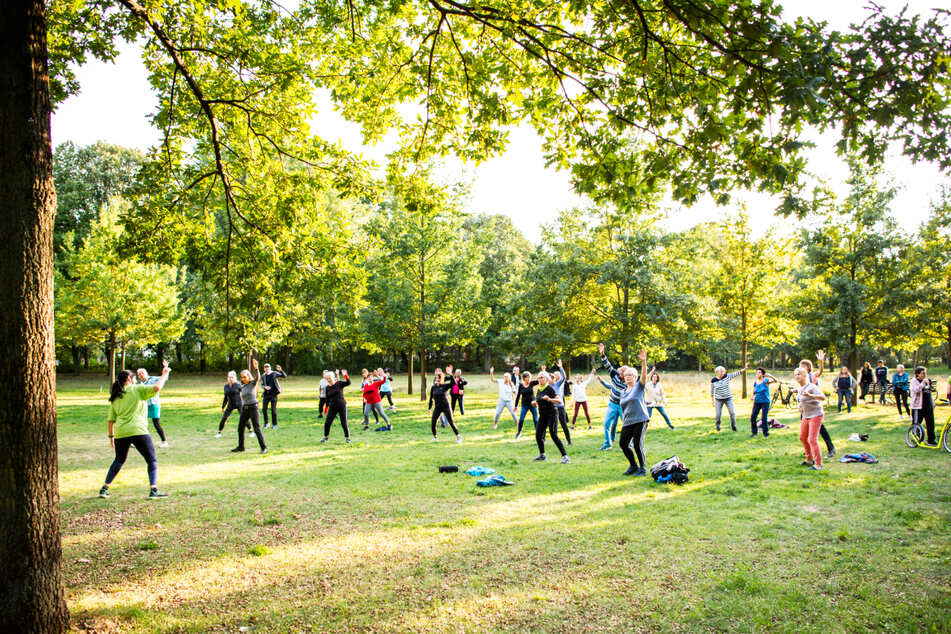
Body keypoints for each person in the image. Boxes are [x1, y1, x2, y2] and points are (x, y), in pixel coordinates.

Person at [99, 361, 172, 499]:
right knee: (152, 460)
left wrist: (111, 437)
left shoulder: (116, 396)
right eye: (134, 378)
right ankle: (153, 490)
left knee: (119, 460)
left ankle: (104, 488)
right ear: (129, 379)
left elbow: (111, 420)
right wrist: (164, 374)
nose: (136, 380)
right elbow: (157, 388)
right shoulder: (137, 389)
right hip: (139, 431)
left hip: (121, 433)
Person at [617, 350, 651, 475]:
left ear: (635, 377)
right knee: (623, 444)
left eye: (630, 375)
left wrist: (643, 362)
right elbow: (624, 407)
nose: (628, 377)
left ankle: (643, 468)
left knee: (637, 444)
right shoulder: (623, 391)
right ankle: (633, 466)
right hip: (628, 421)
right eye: (626, 375)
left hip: (640, 419)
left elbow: (644, 374)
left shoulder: (639, 386)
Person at [799, 351, 836, 458]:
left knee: (820, 429)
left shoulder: (812, 375)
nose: (800, 369)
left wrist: (821, 361)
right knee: (805, 432)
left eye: (802, 367)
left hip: (815, 409)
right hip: (806, 409)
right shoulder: (801, 378)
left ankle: (831, 448)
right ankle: (809, 450)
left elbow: (820, 371)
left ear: (808, 368)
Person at [531, 371, 569, 463]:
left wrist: (550, 399)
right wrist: (535, 403)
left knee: (553, 435)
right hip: (543, 415)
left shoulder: (550, 389)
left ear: (546, 379)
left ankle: (565, 457)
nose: (539, 379)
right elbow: (539, 402)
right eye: (539, 377)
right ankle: (542, 455)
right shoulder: (539, 389)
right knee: (538, 435)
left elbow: (559, 401)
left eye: (542, 377)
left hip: (552, 414)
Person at [794, 366, 826, 470]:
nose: (796, 376)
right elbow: (801, 401)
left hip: (816, 415)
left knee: (812, 439)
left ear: (804, 376)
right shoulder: (799, 389)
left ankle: (818, 464)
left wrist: (811, 395)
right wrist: (800, 406)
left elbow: (823, 397)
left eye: (799, 374)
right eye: (795, 375)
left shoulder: (811, 387)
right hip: (806, 416)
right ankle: (809, 459)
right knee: (803, 438)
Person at [597, 342, 628, 450]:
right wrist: (602, 354)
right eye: (620, 371)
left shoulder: (629, 381)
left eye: (622, 372)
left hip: (623, 405)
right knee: (606, 424)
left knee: (628, 425)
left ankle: (630, 444)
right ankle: (607, 444)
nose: (620, 373)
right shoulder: (615, 374)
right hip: (612, 404)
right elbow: (608, 365)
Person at [233, 359, 267, 454]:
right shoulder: (242, 386)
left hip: (253, 408)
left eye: (245, 377)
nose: (243, 379)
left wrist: (256, 368)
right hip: (245, 408)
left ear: (249, 377)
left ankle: (264, 448)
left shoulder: (253, 383)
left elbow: (258, 377)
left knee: (256, 428)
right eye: (242, 377)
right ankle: (241, 447)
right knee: (240, 428)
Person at [136, 368, 168, 447]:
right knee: (140, 423)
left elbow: (164, 378)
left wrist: (165, 370)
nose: (141, 375)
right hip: (145, 405)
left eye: (142, 373)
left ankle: (164, 442)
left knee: (156, 424)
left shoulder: (152, 379)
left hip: (154, 404)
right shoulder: (140, 384)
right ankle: (136, 441)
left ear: (146, 373)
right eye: (139, 374)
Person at [429, 368, 462, 443]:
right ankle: (435, 437)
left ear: (441, 379)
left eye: (438, 379)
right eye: (436, 379)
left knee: (451, 422)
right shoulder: (433, 387)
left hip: (446, 406)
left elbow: (453, 383)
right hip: (437, 407)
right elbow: (431, 398)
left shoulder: (444, 386)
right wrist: (430, 408)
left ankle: (458, 437)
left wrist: (450, 374)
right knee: (433, 422)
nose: (437, 380)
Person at [710, 365, 746, 431]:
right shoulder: (713, 380)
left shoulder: (727, 376)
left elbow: (736, 373)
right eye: (722, 371)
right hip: (718, 400)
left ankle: (733, 426)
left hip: (728, 398)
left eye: (724, 371)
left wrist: (744, 369)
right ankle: (717, 427)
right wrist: (713, 401)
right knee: (718, 415)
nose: (724, 372)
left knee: (732, 412)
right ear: (718, 372)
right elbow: (712, 392)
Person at [321, 370, 352, 443]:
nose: (328, 380)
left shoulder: (339, 383)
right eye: (327, 378)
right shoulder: (327, 387)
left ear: (333, 377)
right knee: (327, 422)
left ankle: (347, 438)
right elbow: (327, 399)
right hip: (332, 407)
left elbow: (348, 383)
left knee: (344, 422)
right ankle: (326, 437)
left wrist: (345, 375)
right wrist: (326, 408)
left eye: (329, 378)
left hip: (341, 405)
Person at [910, 366, 937, 446]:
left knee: (930, 423)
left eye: (925, 373)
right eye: (923, 373)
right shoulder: (913, 381)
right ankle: (916, 439)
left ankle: (931, 440)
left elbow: (929, 392)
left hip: (927, 405)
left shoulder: (926, 381)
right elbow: (915, 390)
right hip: (918, 407)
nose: (925, 374)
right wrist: (922, 384)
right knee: (917, 423)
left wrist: (932, 403)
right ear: (917, 374)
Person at [749, 368, 777, 437]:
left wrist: (770, 375)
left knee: (764, 418)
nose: (758, 374)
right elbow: (754, 391)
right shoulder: (755, 382)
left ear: (762, 374)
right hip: (757, 401)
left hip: (765, 402)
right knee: (753, 417)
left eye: (759, 372)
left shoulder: (766, 381)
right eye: (757, 373)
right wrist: (752, 396)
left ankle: (766, 433)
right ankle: (754, 432)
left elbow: (775, 381)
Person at [551, 361, 572, 445]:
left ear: (553, 379)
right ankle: (556, 442)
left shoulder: (557, 384)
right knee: (554, 426)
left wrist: (561, 367)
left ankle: (569, 441)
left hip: (560, 407)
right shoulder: (547, 387)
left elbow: (564, 377)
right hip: (552, 408)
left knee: (563, 424)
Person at [216, 370, 242, 438]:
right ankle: (219, 433)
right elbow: (225, 397)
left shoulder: (238, 385)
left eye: (231, 377)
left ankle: (251, 431)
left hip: (239, 404)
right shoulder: (226, 386)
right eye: (229, 377)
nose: (230, 379)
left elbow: (244, 394)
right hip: (230, 405)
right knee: (224, 418)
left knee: (243, 418)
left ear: (235, 377)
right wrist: (223, 407)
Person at [514, 371, 539, 440]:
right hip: (524, 405)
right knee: (521, 419)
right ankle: (519, 432)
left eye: (529, 378)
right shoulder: (521, 385)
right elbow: (518, 396)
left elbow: (539, 380)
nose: (529, 379)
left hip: (533, 405)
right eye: (527, 378)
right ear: (524, 378)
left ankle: (538, 434)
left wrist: (543, 371)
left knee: (536, 420)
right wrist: (515, 406)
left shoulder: (531, 383)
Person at [260, 363, 286, 429]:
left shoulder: (274, 373)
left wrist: (280, 370)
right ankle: (266, 423)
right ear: (264, 369)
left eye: (268, 367)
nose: (267, 368)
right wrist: (265, 387)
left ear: (270, 368)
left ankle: (275, 424)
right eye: (265, 367)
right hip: (266, 394)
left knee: (273, 409)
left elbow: (284, 376)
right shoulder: (263, 376)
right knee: (264, 409)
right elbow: (262, 384)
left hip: (274, 394)